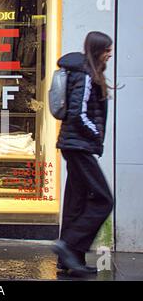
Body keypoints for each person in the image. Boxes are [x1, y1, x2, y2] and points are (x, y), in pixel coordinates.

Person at [52, 31, 114, 276]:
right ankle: (68, 244)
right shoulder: (86, 74)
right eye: (107, 50)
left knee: (76, 200)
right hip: (79, 145)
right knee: (103, 199)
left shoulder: (86, 72)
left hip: (76, 144)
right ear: (97, 50)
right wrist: (95, 136)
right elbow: (78, 113)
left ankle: (69, 260)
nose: (110, 54)